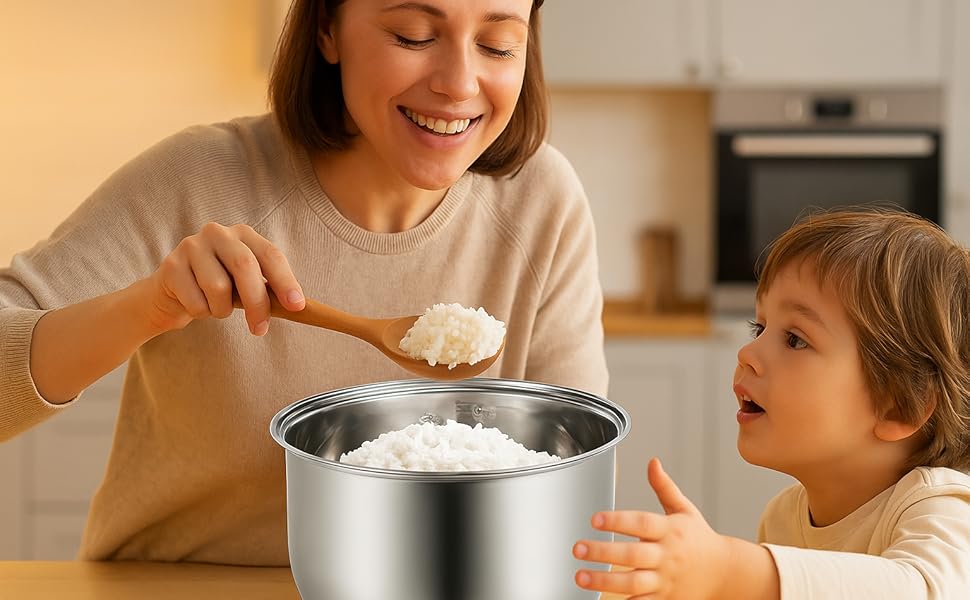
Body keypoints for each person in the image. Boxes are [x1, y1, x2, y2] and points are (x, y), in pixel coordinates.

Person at [0, 0, 609, 565]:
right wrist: (147, 307)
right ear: (327, 28)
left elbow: (570, 488)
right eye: (413, 35)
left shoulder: (541, 202)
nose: (458, 83)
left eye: (499, 45)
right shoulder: (199, 181)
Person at [573, 209, 970, 598]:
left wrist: (729, 570)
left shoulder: (941, 509)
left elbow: (921, 589)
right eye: (759, 328)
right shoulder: (783, 519)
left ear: (901, 405)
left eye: (796, 339)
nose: (747, 352)